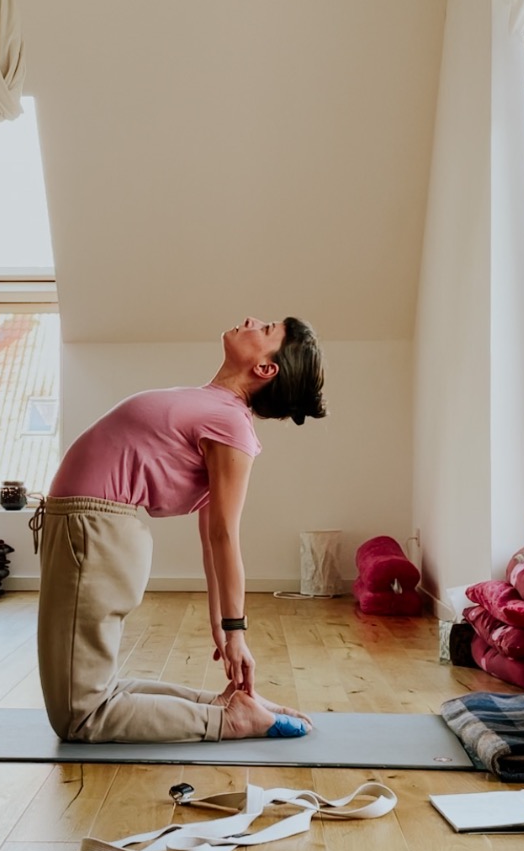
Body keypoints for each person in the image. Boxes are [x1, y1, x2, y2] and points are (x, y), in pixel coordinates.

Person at [32, 316, 325, 743]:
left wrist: (236, 631)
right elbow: (209, 543)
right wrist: (220, 631)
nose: (252, 321)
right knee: (94, 695)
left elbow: (224, 534)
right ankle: (225, 707)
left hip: (93, 534)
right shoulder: (213, 405)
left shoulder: (232, 425)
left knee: (80, 715)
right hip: (87, 532)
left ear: (266, 368)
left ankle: (230, 722)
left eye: (267, 329)